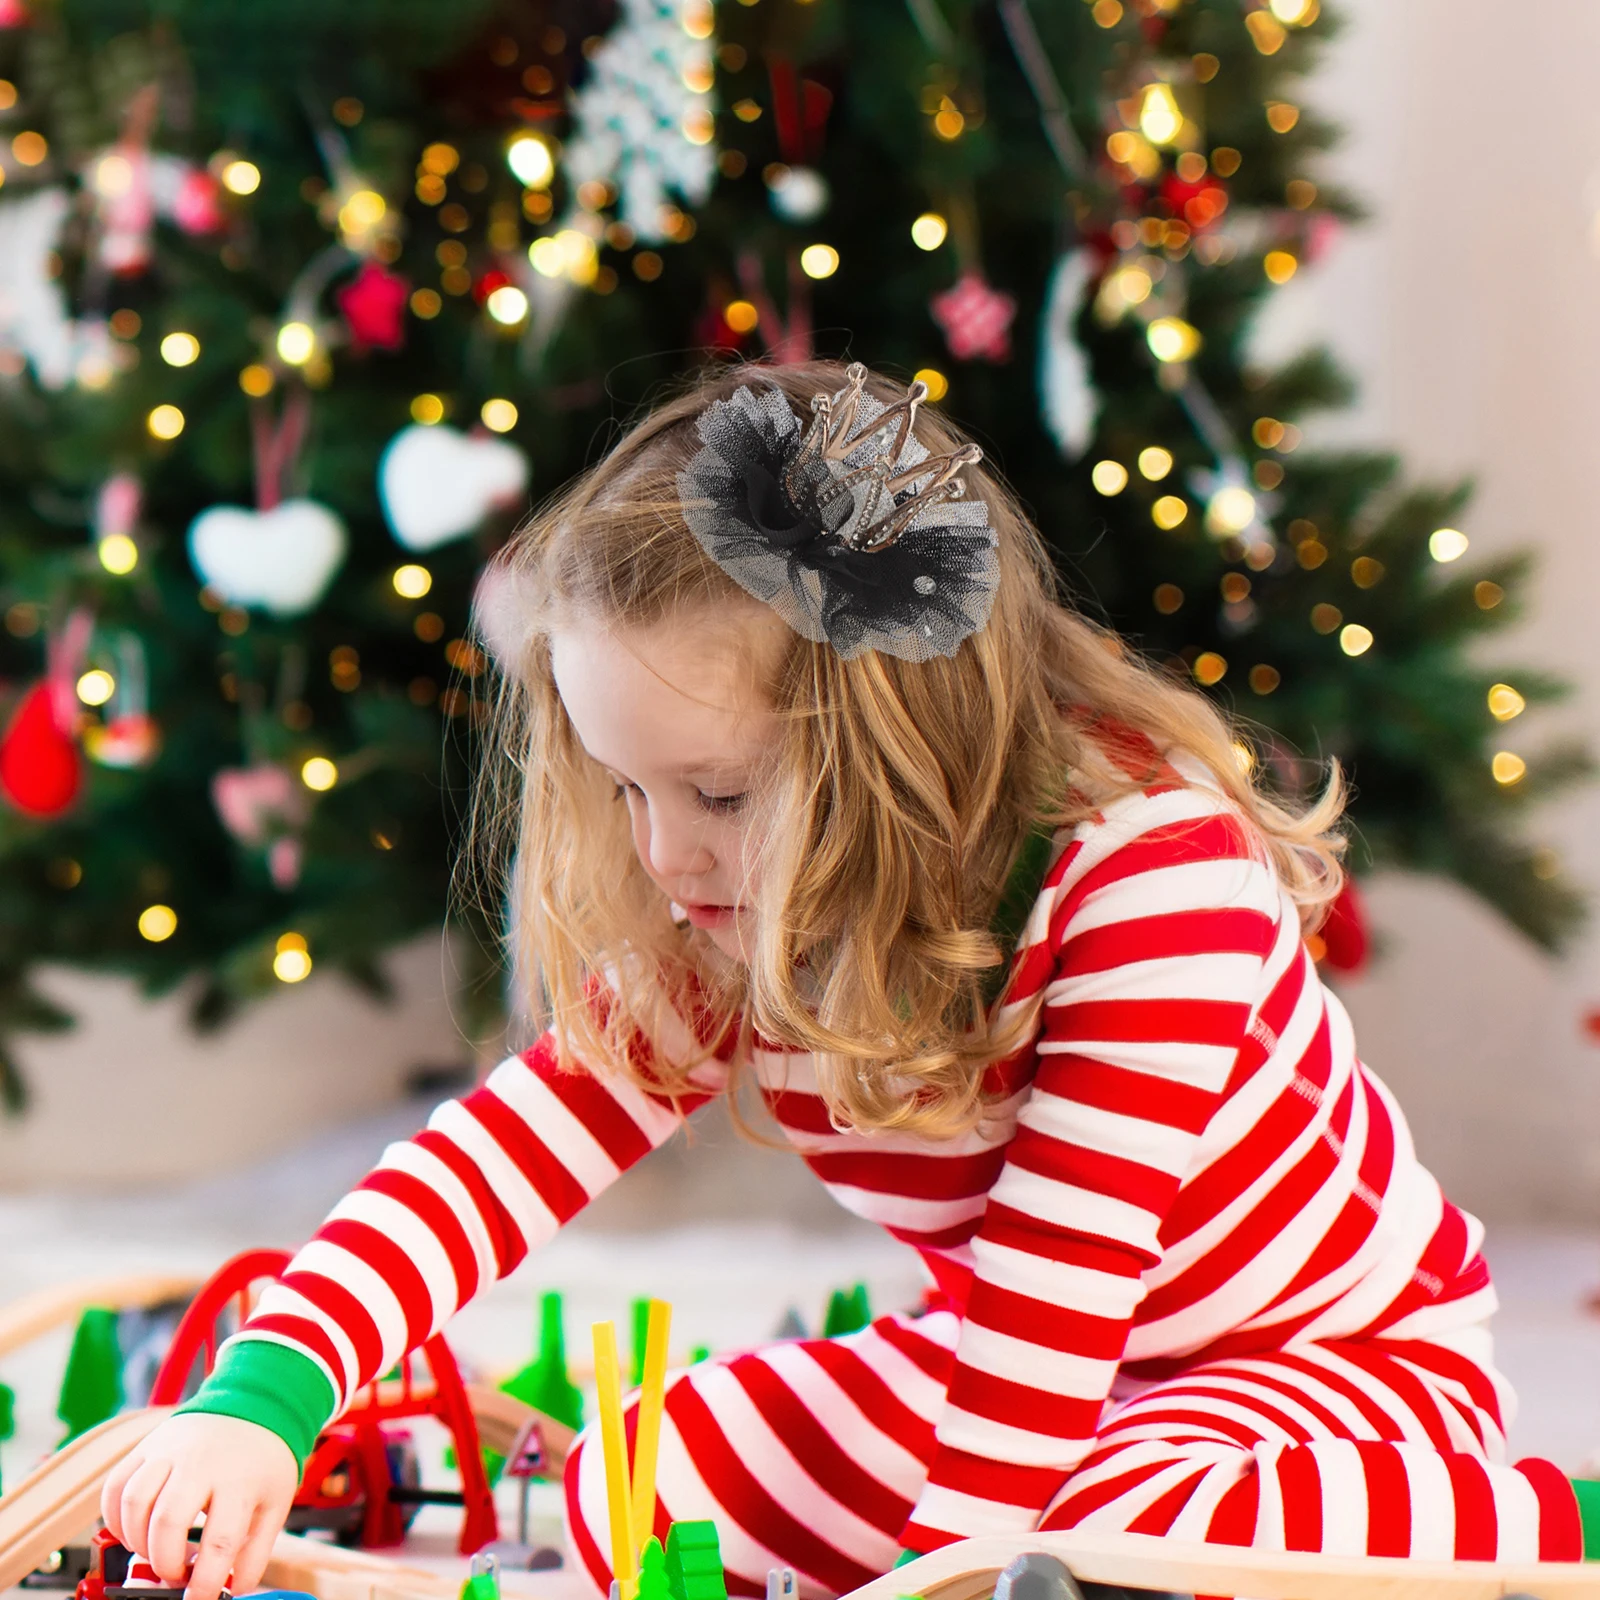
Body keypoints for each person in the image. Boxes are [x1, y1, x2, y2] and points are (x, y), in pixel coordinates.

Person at [101, 363, 1600, 1600]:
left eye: (721, 794)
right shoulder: (731, 904)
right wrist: (265, 1400)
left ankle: (1533, 1521)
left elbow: (1045, 1325)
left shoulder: (1156, 883)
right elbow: (492, 1157)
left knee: (1119, 1535)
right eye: (627, 789)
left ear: (904, 750)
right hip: (1060, 1374)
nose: (665, 854)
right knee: (667, 1481)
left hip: (1322, 1352)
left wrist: (949, 1570)